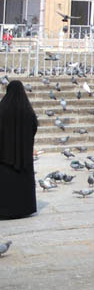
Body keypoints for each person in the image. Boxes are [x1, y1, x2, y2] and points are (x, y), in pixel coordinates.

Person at [0, 80, 38, 220]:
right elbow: (34, 126)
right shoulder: (27, 110)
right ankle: (24, 208)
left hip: (4, 156)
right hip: (23, 156)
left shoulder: (2, 109)